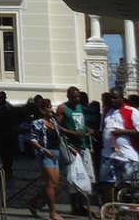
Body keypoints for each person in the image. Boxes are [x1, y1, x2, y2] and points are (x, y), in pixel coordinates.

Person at [57, 86, 95, 215]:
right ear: (68, 96)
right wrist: (71, 133)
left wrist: (87, 129)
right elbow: (57, 126)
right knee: (74, 177)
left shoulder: (79, 107)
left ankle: (83, 205)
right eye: (74, 97)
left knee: (87, 177)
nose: (76, 99)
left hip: (83, 146)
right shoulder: (63, 108)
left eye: (78, 96)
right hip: (71, 147)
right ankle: (75, 206)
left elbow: (79, 123)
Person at [99, 87, 139, 203]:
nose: (112, 100)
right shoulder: (107, 112)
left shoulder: (132, 111)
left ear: (122, 98)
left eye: (115, 98)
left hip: (127, 156)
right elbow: (102, 130)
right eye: (110, 98)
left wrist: (121, 132)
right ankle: (109, 209)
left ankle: (128, 210)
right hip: (108, 155)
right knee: (107, 183)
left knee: (130, 185)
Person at [28, 99, 66, 220]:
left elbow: (59, 137)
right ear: (42, 110)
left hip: (56, 153)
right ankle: (52, 212)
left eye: (51, 107)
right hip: (45, 154)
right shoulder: (37, 123)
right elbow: (33, 140)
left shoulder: (54, 122)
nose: (51, 109)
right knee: (51, 183)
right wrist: (44, 150)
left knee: (56, 184)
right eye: (48, 107)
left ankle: (33, 201)